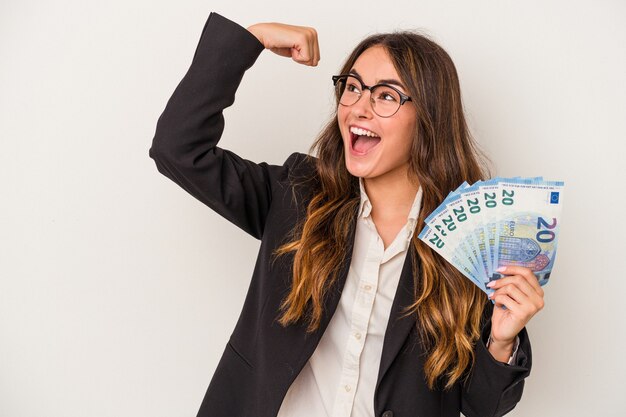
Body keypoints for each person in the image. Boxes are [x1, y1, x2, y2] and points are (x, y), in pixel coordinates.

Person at [149, 12, 544, 417]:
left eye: (386, 95)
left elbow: (483, 406)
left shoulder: (469, 240)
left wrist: (500, 343)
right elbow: (178, 150)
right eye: (352, 87)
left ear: (429, 118)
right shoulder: (297, 197)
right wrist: (251, 41)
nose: (358, 107)